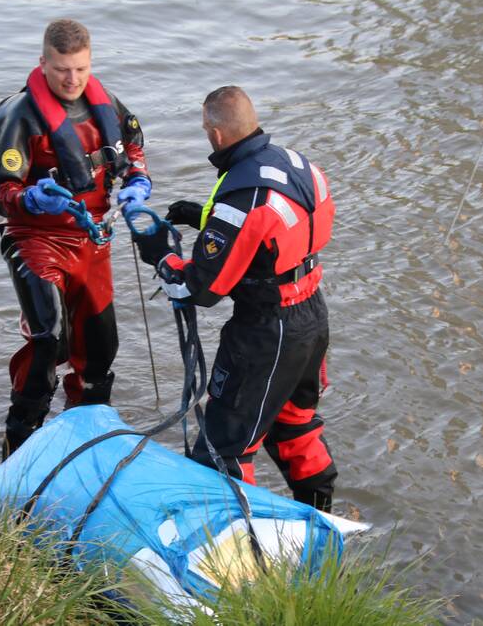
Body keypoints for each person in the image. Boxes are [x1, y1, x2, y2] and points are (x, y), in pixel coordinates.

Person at [133, 86, 337, 511]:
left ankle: (234, 552)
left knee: (221, 449)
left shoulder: (242, 197)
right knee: (294, 426)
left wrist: (158, 252)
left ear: (216, 133)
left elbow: (199, 289)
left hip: (267, 332)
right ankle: (322, 522)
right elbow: (275, 234)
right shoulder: (298, 164)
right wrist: (203, 218)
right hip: (312, 317)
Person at [0, 19, 150, 458]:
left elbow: (133, 145)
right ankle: (18, 442)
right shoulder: (16, 115)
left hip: (93, 239)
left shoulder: (106, 102)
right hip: (36, 239)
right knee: (48, 341)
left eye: (80, 69)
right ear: (43, 63)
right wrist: (33, 198)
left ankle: (87, 442)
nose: (72, 80)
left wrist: (138, 181)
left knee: (101, 350)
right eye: (61, 70)